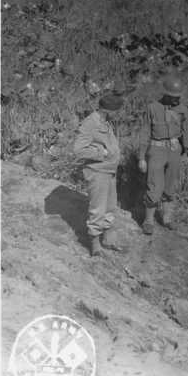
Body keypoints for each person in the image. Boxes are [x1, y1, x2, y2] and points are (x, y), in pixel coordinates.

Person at [137, 76, 188, 234]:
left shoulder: (182, 109)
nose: (177, 99)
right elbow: (145, 132)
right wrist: (141, 157)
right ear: (166, 94)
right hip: (156, 151)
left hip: (174, 151)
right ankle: (149, 220)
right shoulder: (153, 107)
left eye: (179, 96)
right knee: (154, 187)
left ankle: (167, 218)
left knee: (170, 187)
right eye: (174, 96)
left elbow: (187, 132)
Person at [74, 95, 129, 257]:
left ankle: (109, 240)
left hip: (109, 171)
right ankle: (95, 245)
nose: (119, 114)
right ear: (108, 110)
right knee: (98, 209)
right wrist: (102, 152)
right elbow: (79, 150)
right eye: (117, 111)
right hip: (97, 172)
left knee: (110, 208)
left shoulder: (106, 122)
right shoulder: (90, 123)